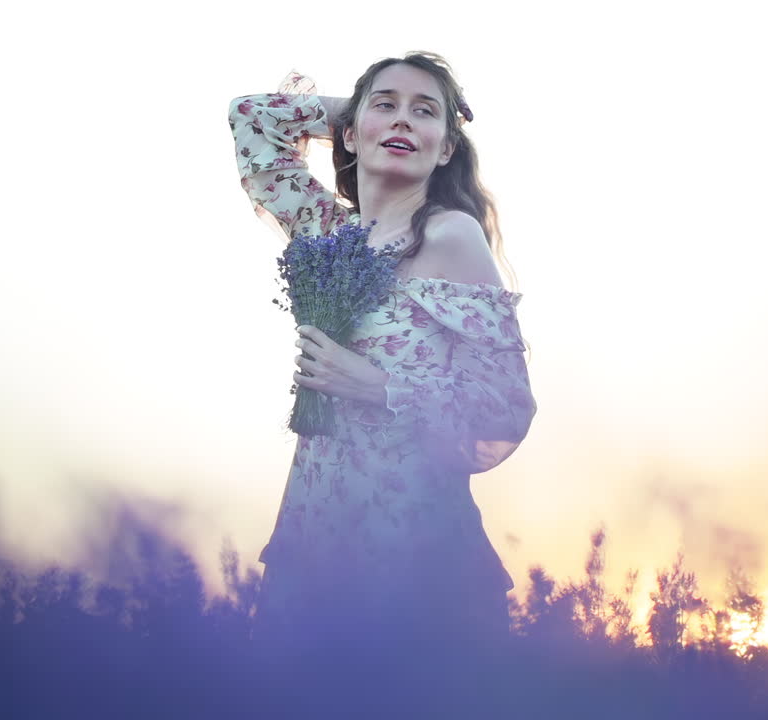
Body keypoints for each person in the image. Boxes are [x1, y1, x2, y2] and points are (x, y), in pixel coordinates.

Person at [226, 52, 537, 674]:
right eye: (386, 106)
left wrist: (383, 386)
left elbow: (508, 404)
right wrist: (362, 110)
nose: (403, 121)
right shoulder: (325, 233)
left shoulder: (449, 235)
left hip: (419, 557)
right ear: (348, 133)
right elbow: (251, 118)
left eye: (424, 114)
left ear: (448, 148)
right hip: (311, 545)